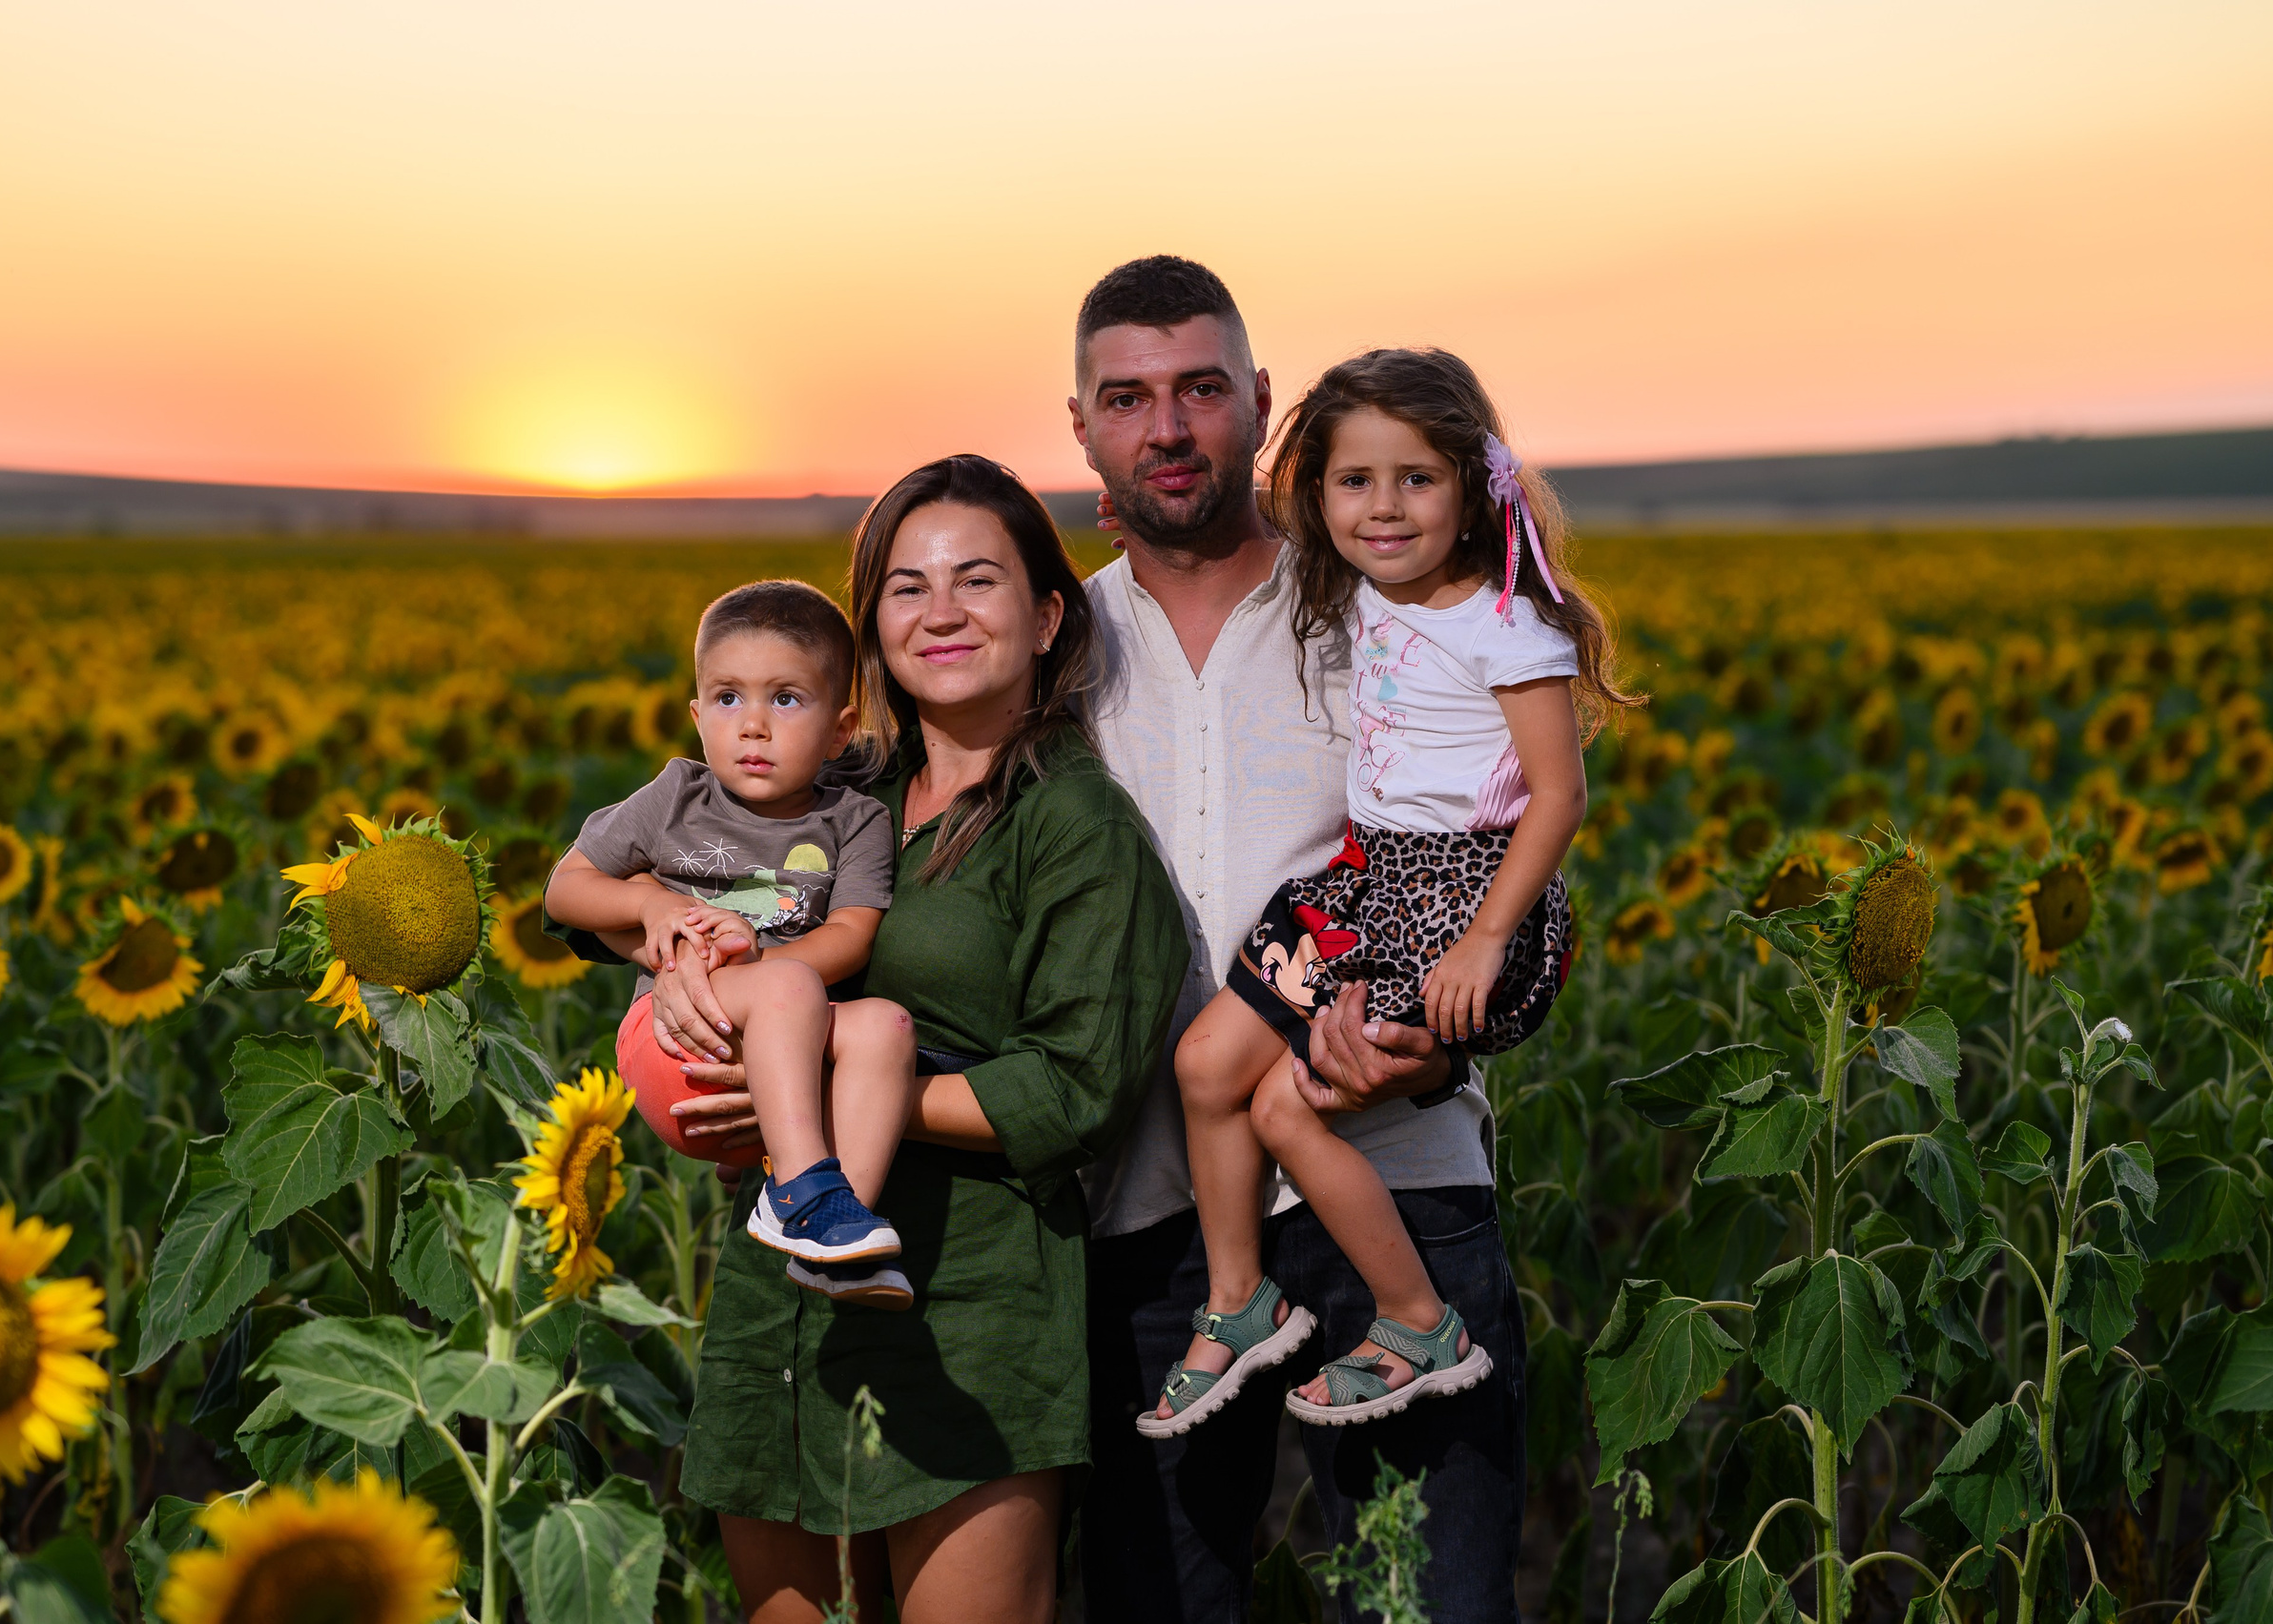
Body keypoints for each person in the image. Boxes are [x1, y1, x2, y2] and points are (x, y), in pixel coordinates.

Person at [1069, 257, 1618, 1623]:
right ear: (1082, 424)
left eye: (1203, 387)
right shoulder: (1050, 642)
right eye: (1127, 397)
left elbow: (1508, 857)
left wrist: (1425, 1051)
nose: (1170, 426)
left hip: (1397, 1185)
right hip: (1151, 1219)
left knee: (1428, 1604)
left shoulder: (1382, 608)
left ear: (1261, 405)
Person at [642, 457, 1190, 1624]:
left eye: (977, 579)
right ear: (870, 631)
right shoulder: (836, 796)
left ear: (1048, 616)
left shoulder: (1079, 827)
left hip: (967, 1302)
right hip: (775, 1294)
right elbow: (647, 886)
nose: (940, 609)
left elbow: (1076, 1089)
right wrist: (667, 947)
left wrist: (844, 1085)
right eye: (905, 586)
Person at [1144, 346, 1623, 1444]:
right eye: (1353, 480)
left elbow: (1557, 796)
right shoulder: (1358, 589)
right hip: (1368, 881)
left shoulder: (1506, 624)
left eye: (1416, 478)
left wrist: (1483, 943)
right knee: (1205, 1063)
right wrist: (1157, 530)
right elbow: (1260, 541)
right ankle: (1237, 1300)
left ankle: (1416, 1320)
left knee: (1277, 1106)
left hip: (1461, 902)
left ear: (1472, 488)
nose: (1384, 506)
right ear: (1317, 494)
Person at [542, 581, 922, 1305]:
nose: (752, 725)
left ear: (841, 730)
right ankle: (805, 1190)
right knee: (794, 988)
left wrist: (769, 962)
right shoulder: (677, 795)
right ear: (695, 714)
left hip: (788, 1069)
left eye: (785, 699)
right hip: (680, 1044)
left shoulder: (856, 820)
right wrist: (650, 903)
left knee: (886, 1026)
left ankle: (830, 1232)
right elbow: (566, 888)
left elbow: (851, 935)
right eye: (727, 698)